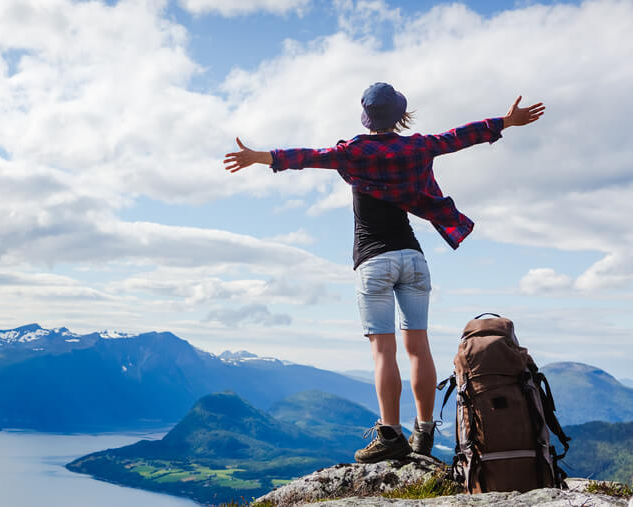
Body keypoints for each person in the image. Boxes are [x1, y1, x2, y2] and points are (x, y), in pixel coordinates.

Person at [223, 82, 545, 462]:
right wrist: (505, 122)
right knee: (418, 347)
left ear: (367, 117)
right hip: (413, 258)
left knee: (383, 351)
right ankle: (424, 433)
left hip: (374, 262)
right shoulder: (417, 147)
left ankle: (390, 434)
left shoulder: (352, 153)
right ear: (399, 116)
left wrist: (258, 157)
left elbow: (307, 156)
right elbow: (458, 137)